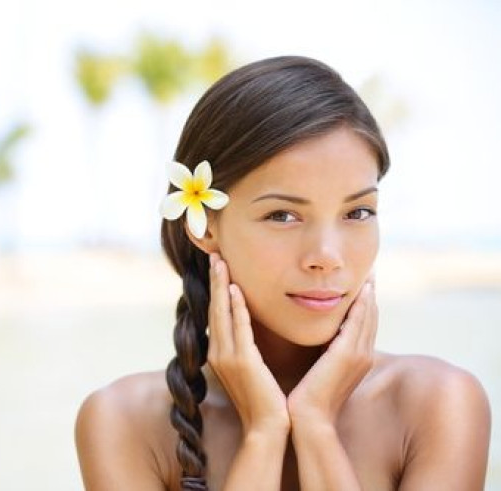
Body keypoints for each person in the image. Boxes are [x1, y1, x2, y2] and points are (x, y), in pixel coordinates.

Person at [74, 55, 491, 490]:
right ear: (204, 227)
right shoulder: (123, 422)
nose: (328, 256)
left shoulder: (440, 406)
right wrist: (264, 432)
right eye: (283, 216)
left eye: (359, 211)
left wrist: (316, 426)